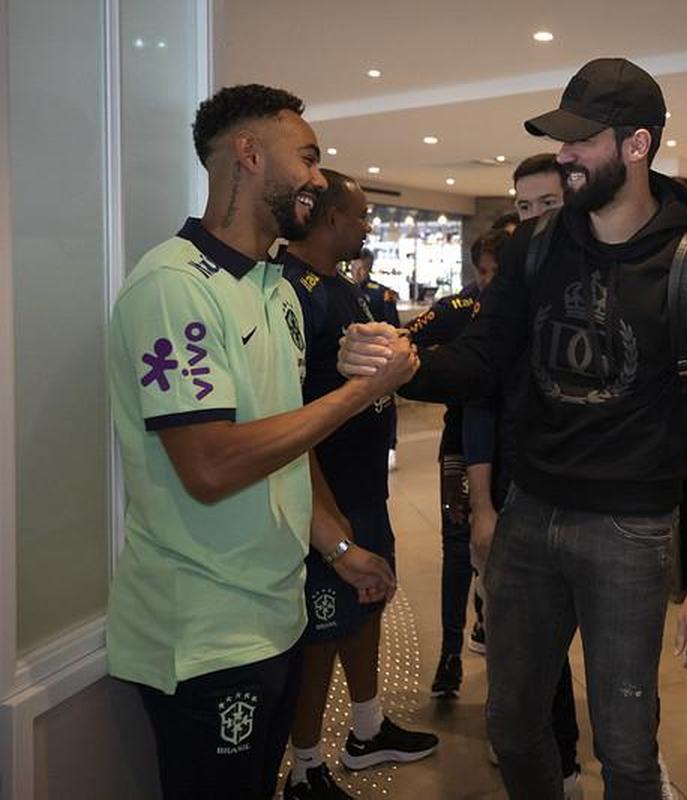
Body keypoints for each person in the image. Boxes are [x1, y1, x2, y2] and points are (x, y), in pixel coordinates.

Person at [340, 58, 687, 800]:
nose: (563, 155)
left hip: (631, 529)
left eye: (580, 141)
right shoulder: (536, 247)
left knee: (628, 751)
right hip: (530, 514)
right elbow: (484, 363)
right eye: (558, 140)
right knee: (511, 725)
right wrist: (408, 367)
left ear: (636, 145)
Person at [106, 84, 415, 800]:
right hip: (206, 634)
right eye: (306, 157)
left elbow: (283, 443)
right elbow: (211, 464)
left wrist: (339, 547)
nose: (316, 177)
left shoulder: (275, 289)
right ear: (247, 155)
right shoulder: (173, 286)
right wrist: (358, 394)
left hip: (274, 613)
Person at [281, 168, 439, 800]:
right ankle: (306, 766)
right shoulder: (292, 292)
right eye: (362, 214)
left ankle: (367, 730)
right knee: (321, 633)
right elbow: (289, 411)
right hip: (328, 501)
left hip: (366, 487)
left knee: (368, 603)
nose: (369, 225)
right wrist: (331, 525)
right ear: (329, 218)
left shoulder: (343, 289)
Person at [461, 154, 584, 797]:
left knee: (620, 669)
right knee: (529, 654)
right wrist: (482, 505)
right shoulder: (504, 298)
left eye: (548, 207)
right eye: (524, 208)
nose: (533, 221)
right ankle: (552, 768)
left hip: (599, 511)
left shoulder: (600, 286)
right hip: (516, 499)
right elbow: (478, 406)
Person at [408, 228, 507, 700]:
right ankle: (449, 653)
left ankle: (489, 624)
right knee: (456, 545)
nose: (488, 282)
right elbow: (404, 344)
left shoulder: (528, 306)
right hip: (459, 447)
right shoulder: (456, 309)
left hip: (511, 450)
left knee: (503, 552)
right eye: (482, 272)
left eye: (497, 272)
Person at [350, 249, 402, 470]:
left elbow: (394, 327)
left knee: (385, 403)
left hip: (379, 358)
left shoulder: (382, 293)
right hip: (353, 359)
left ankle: (390, 445)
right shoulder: (346, 291)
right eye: (352, 264)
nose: (355, 269)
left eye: (359, 264)